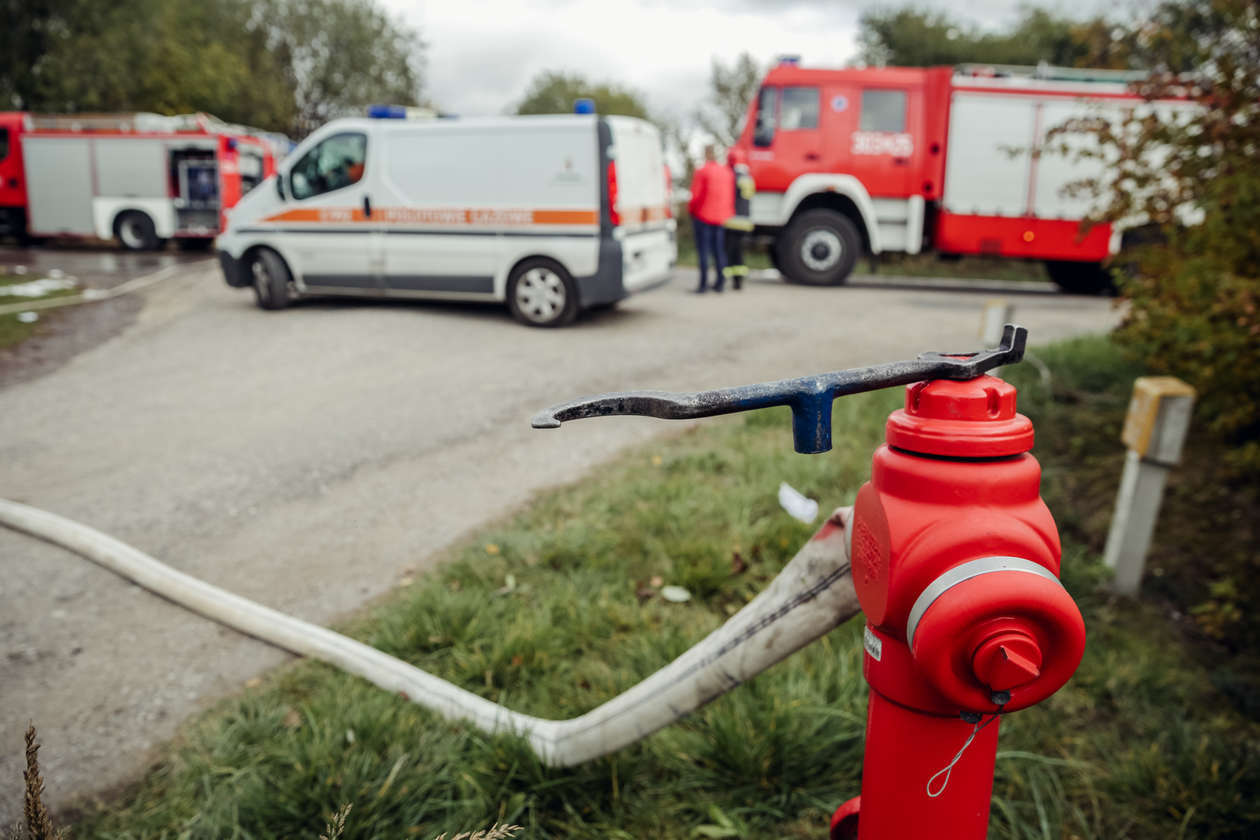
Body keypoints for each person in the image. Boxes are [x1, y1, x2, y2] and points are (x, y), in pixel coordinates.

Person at [687, 145, 735, 293]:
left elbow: (696, 195)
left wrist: (692, 211)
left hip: (703, 216)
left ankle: (703, 285)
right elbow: (730, 196)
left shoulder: (702, 171)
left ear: (706, 154)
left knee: (703, 251)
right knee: (719, 250)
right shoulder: (727, 172)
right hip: (721, 217)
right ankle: (720, 283)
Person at [722, 149, 755, 291]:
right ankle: (739, 280)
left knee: (729, 251)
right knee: (739, 252)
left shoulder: (732, 177)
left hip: (732, 221)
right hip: (745, 221)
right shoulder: (748, 177)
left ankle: (723, 280)